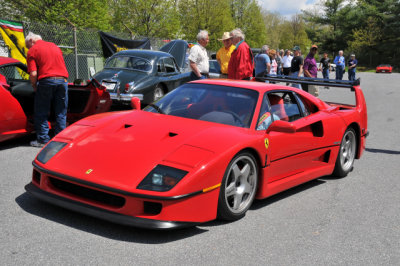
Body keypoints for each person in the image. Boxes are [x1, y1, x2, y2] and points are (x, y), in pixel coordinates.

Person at [25, 32, 69, 147]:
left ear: (31, 41)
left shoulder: (33, 50)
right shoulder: (55, 46)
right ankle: (60, 140)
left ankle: (43, 140)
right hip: (63, 81)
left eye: (28, 46)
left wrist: (34, 86)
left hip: (46, 81)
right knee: (61, 112)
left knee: (41, 111)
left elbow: (33, 73)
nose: (29, 48)